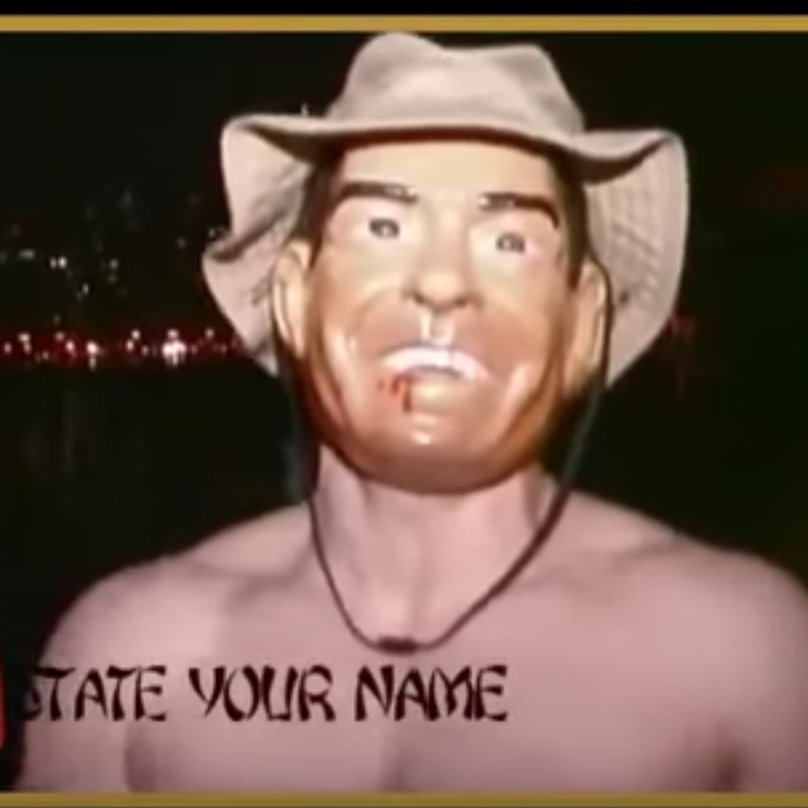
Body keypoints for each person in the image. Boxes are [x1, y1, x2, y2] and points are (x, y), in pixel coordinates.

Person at [17, 33, 808, 792]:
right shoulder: (122, 653)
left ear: (584, 324)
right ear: (292, 297)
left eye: (509, 243)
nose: (440, 282)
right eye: (383, 227)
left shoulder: (749, 655)